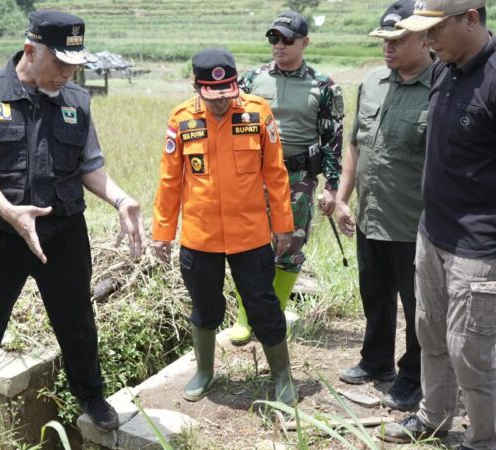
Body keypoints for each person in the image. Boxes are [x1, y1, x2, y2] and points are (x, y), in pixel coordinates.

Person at [0, 10, 146, 432]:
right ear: (31, 49)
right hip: (0, 234)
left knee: (77, 320)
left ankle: (91, 396)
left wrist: (120, 198)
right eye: (60, 63)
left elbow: (90, 167)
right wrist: (11, 212)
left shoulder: (77, 102)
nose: (67, 74)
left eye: (74, 64)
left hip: (63, 232)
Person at [379, 1, 496, 448]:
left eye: (435, 30)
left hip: (481, 247)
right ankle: (433, 418)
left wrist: (491, 210)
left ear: (471, 19)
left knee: (469, 351)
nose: (426, 40)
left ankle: (484, 440)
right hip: (434, 234)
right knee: (431, 333)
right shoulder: (445, 68)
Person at [152, 48, 298, 405]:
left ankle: (282, 374)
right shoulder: (181, 118)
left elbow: (276, 174)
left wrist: (283, 226)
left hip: (250, 235)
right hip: (200, 238)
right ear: (196, 86)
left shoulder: (256, 112)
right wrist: (162, 233)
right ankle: (204, 372)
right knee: (204, 307)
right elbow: (170, 180)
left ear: (235, 85)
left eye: (227, 94)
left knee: (263, 305)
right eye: (212, 96)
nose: (220, 103)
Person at [334, 0, 432, 412]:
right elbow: (356, 145)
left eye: (398, 40)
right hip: (371, 216)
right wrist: (342, 198)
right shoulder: (372, 82)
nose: (388, 48)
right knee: (374, 294)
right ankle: (376, 361)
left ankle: (414, 376)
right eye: (384, 40)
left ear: (425, 39)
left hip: (414, 223)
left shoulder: (441, 87)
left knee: (417, 308)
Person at [230, 10, 344, 345]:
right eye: (274, 38)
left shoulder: (323, 86)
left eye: (287, 39)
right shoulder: (251, 80)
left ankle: (272, 317)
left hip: (297, 178)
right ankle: (244, 319)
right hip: (253, 175)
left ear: (305, 42)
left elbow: (333, 139)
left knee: (290, 248)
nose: (279, 45)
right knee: (248, 246)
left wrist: (332, 187)